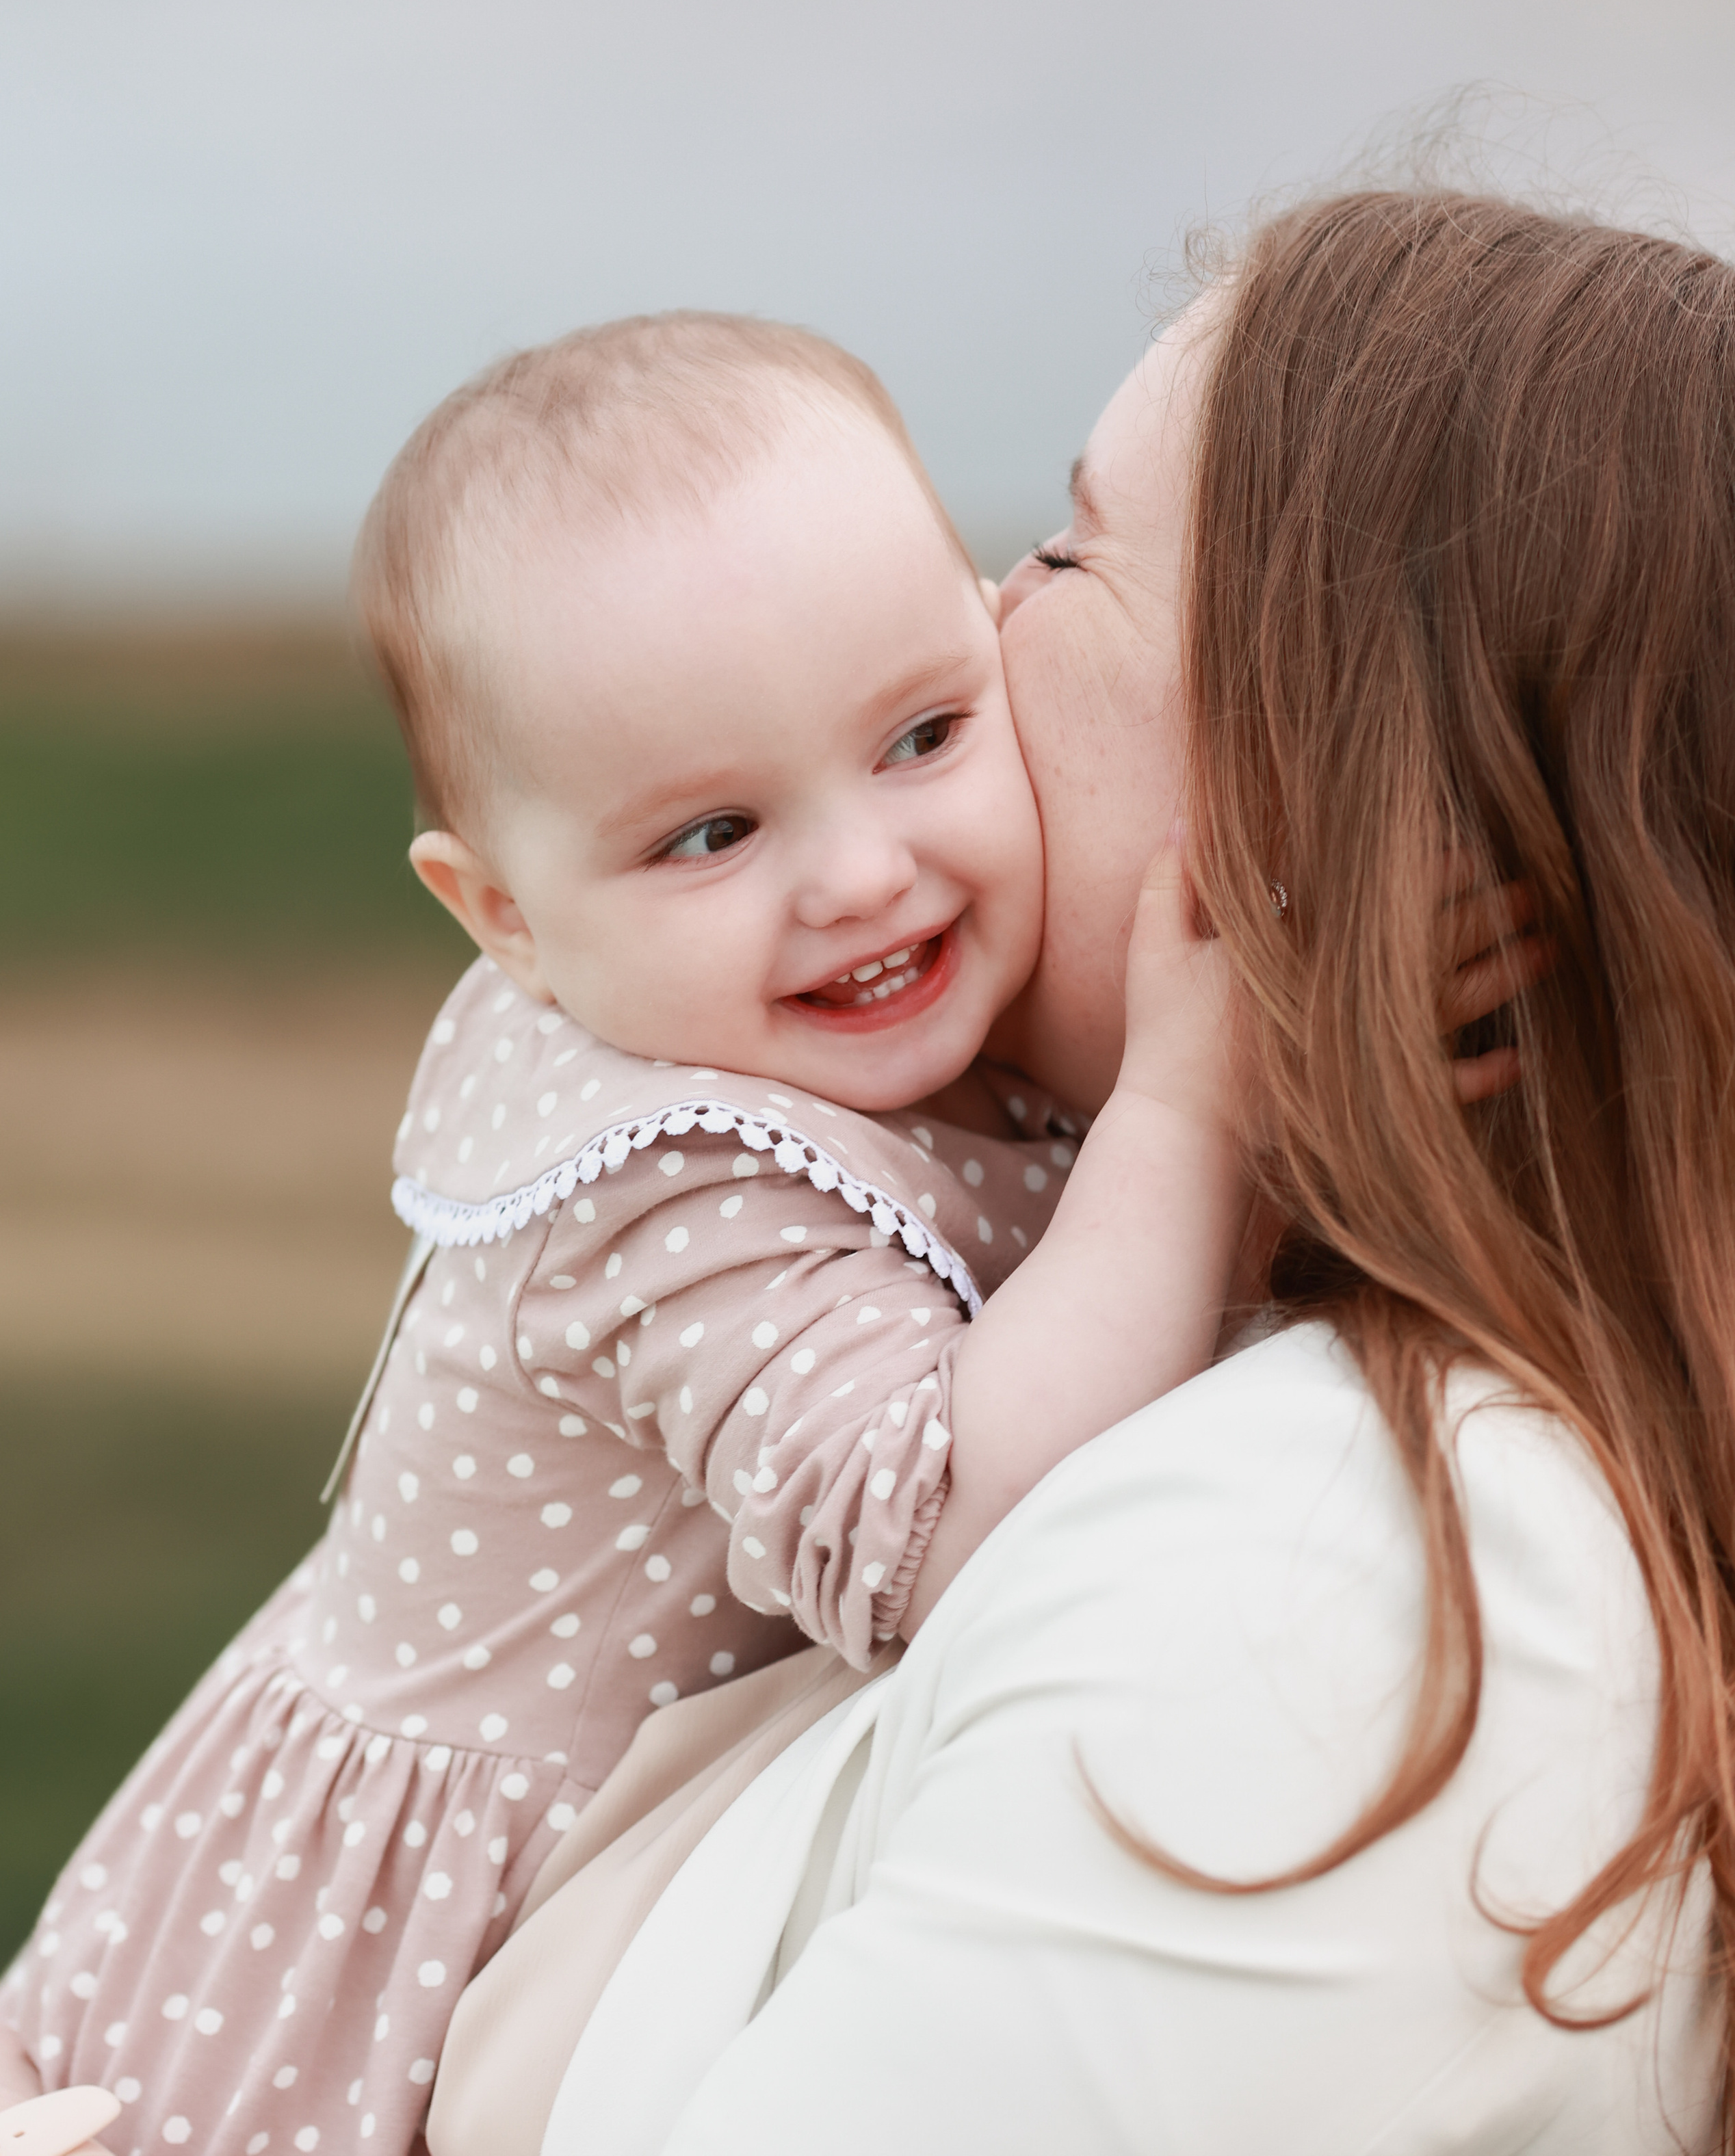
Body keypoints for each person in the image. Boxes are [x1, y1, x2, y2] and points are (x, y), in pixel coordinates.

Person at [449, 192, 1735, 2155]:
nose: (980, 610)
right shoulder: (1230, 1407)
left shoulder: (1347, 1611)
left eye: (1068, 550)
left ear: (1338, 790)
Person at [0, 313, 1294, 2156]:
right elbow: (951, 1518)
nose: (859, 874)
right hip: (335, 1999)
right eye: (711, 835)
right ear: (505, 919)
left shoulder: (852, 1021)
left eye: (922, 734)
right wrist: (1188, 1108)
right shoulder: (665, 1185)